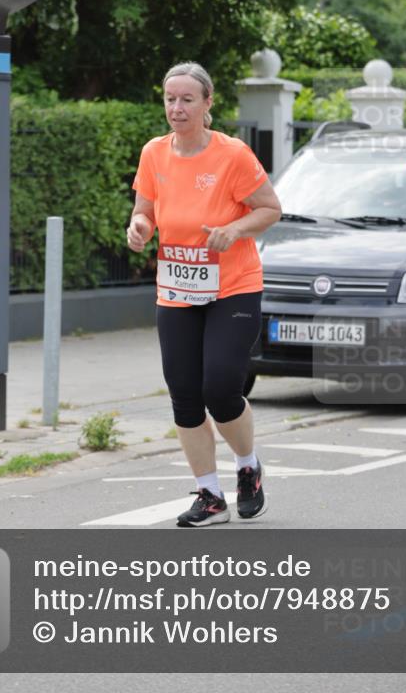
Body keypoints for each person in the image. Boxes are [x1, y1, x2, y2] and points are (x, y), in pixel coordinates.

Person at [127, 62, 281, 525]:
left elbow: (270, 208)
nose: (177, 107)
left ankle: (248, 466)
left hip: (232, 289)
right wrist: (138, 228)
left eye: (187, 99)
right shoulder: (154, 153)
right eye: (170, 99)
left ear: (208, 103)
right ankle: (209, 496)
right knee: (184, 395)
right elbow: (145, 211)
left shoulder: (232, 155)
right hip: (176, 290)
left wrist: (234, 229)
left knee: (220, 388)